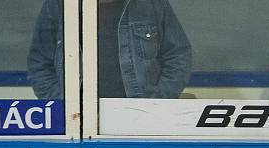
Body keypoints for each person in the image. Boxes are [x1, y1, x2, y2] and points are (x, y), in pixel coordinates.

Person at [27, 0, 192, 99]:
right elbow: (39, 63)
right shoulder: (60, 5)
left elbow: (178, 55)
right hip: (77, 125)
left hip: (140, 119)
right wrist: (63, 106)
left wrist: (156, 102)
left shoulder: (150, 3)